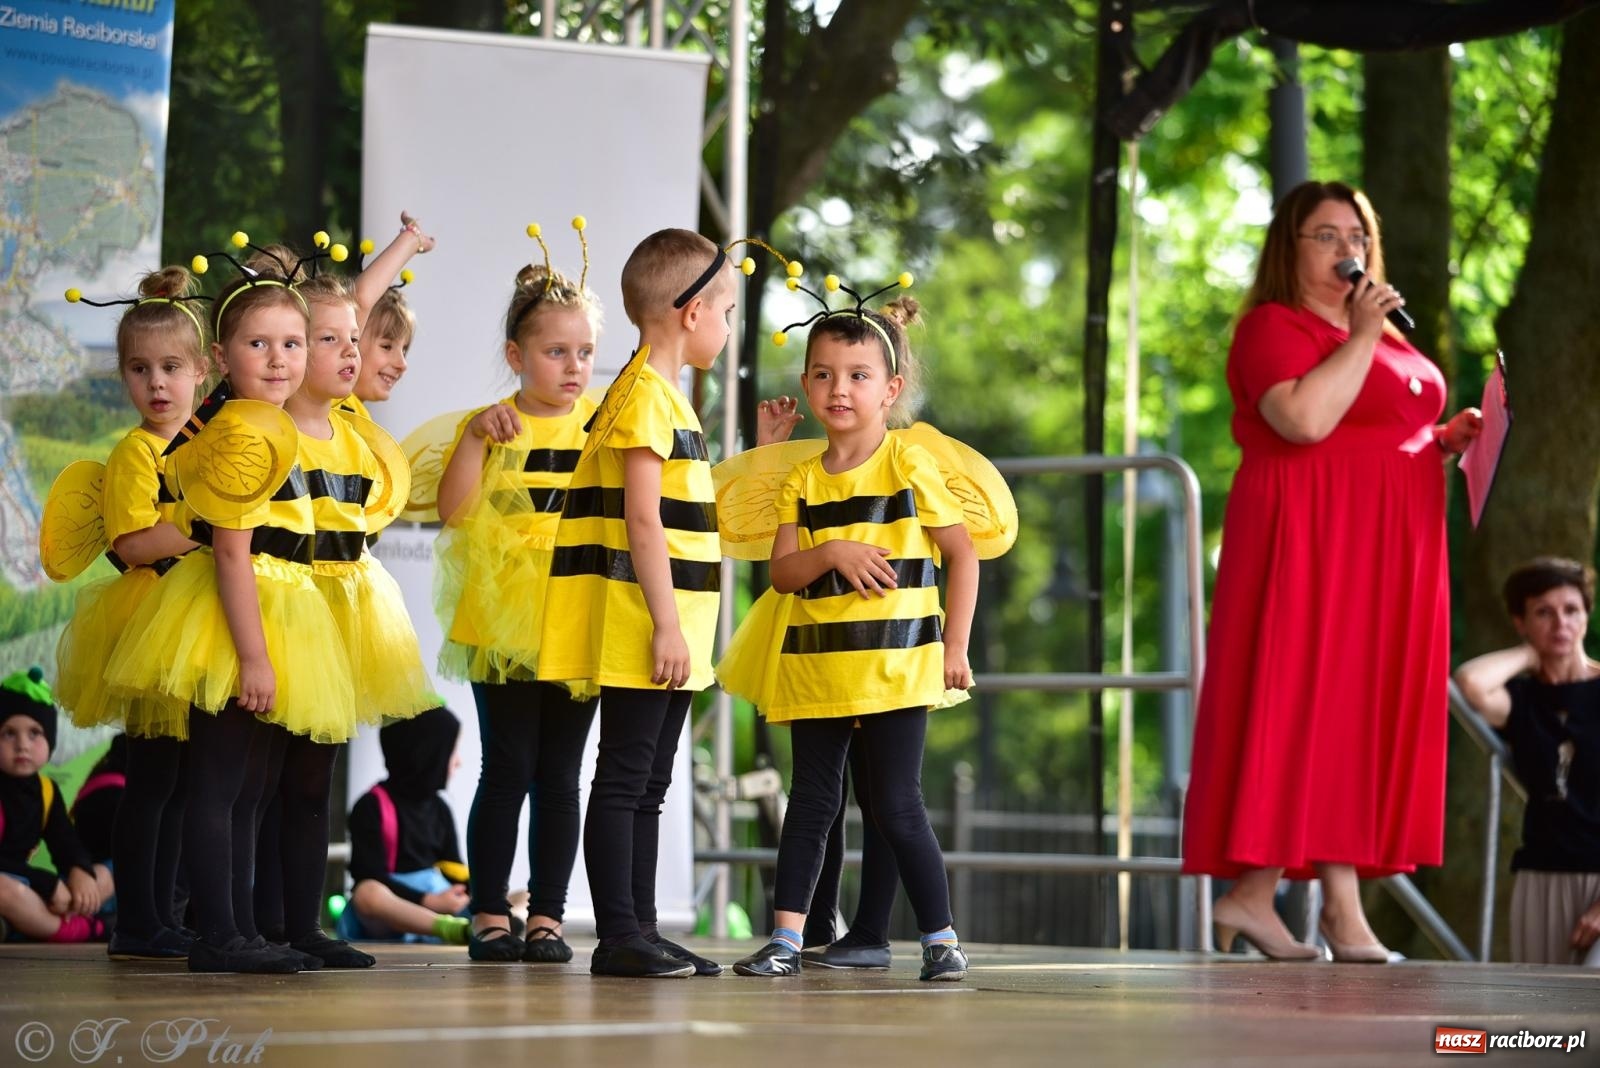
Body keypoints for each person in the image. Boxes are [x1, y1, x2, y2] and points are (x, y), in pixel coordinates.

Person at [1179, 180, 1484, 962]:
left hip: (1392, 548)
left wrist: (1445, 442)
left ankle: (1265, 900)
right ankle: (1325, 912)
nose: (1347, 246)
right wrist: (1358, 335)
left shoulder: (1383, 338)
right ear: (1290, 246)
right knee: (1315, 704)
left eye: (1356, 232)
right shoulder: (1272, 328)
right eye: (1325, 234)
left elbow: (1386, 429)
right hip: (1310, 542)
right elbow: (1305, 420)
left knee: (1354, 713)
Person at [105, 265, 357, 973]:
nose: (279, 360)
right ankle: (219, 933)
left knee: (251, 787)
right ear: (222, 359)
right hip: (232, 622)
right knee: (219, 784)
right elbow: (230, 554)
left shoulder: (273, 424)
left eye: (291, 344)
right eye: (258, 345)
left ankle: (243, 929)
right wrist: (252, 656)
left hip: (278, 616)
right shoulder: (238, 434)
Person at [722, 293, 978, 982]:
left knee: (897, 802)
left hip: (896, 669)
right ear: (806, 384)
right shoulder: (802, 480)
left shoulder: (911, 467)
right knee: (811, 802)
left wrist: (954, 647)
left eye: (859, 375)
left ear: (890, 390)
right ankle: (785, 938)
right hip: (817, 671)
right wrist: (832, 550)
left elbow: (965, 554)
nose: (841, 389)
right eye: (825, 374)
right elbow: (781, 572)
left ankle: (940, 938)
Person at [536, 227, 739, 979]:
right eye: (725, 311)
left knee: (649, 782)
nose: (726, 327)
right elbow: (643, 519)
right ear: (691, 313)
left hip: (671, 623)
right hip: (645, 622)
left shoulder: (652, 396)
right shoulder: (645, 398)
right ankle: (620, 933)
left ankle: (642, 927)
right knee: (626, 776)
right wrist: (664, 624)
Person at [246, 270, 433, 969]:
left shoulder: (354, 432)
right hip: (277, 615)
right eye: (332, 340)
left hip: (338, 617)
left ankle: (301, 925)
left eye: (357, 340)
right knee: (261, 780)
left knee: (311, 780)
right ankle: (254, 924)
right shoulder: (262, 426)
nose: (352, 351)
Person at [433, 236, 605, 964]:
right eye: (555, 353)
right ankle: (487, 912)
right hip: (503, 618)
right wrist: (474, 436)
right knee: (508, 766)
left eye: (585, 353)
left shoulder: (605, 424)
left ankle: (549, 917)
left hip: (576, 611)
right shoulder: (494, 423)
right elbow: (451, 510)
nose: (573, 368)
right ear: (515, 357)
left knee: (562, 774)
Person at [52, 265, 208, 960]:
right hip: (151, 623)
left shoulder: (208, 442)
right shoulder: (135, 452)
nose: (158, 383)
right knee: (152, 782)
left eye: (172, 366)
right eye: (140, 369)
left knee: (185, 786)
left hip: (197, 622)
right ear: (123, 378)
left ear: (201, 370)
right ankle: (138, 922)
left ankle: (169, 909)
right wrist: (206, 524)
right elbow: (131, 543)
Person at [1454, 557, 1600, 966]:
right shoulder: (1522, 699)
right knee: (1545, 1019)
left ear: (1587, 616)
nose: (1561, 624)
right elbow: (1470, 682)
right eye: (1543, 612)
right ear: (1520, 622)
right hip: (1541, 877)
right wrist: (1528, 656)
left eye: (1572, 610)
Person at [339, 707, 472, 945]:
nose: (459, 762)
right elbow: (370, 875)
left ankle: (490, 926)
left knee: (522, 897)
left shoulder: (440, 808)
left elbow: (454, 867)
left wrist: (463, 894)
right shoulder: (371, 805)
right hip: (396, 909)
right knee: (366, 893)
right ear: (427, 754)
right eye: (452, 752)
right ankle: (452, 931)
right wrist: (430, 901)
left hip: (440, 900)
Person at [0, 668, 112, 943]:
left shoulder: (47, 790)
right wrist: (46, 883)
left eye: (35, 733)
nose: (22, 745)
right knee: (6, 890)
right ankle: (81, 929)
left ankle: (21, 925)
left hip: (30, 885)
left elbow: (65, 841)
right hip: (13, 885)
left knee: (106, 873)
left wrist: (79, 871)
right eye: (9, 734)